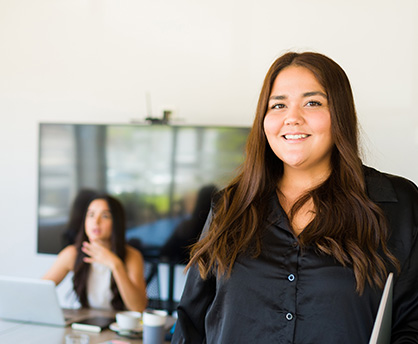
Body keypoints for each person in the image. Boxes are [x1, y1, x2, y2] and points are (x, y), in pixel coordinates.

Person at [172, 52, 418, 343]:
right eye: (278, 105)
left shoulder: (396, 203)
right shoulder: (230, 206)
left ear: (339, 113)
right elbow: (191, 325)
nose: (292, 118)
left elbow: (412, 325)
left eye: (312, 103)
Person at [43, 194, 148, 312]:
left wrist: (115, 264)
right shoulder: (72, 254)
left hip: (119, 326)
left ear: (116, 222)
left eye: (105, 216)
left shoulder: (132, 256)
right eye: (91, 215)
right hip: (85, 324)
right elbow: (40, 290)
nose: (96, 221)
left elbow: (138, 307)